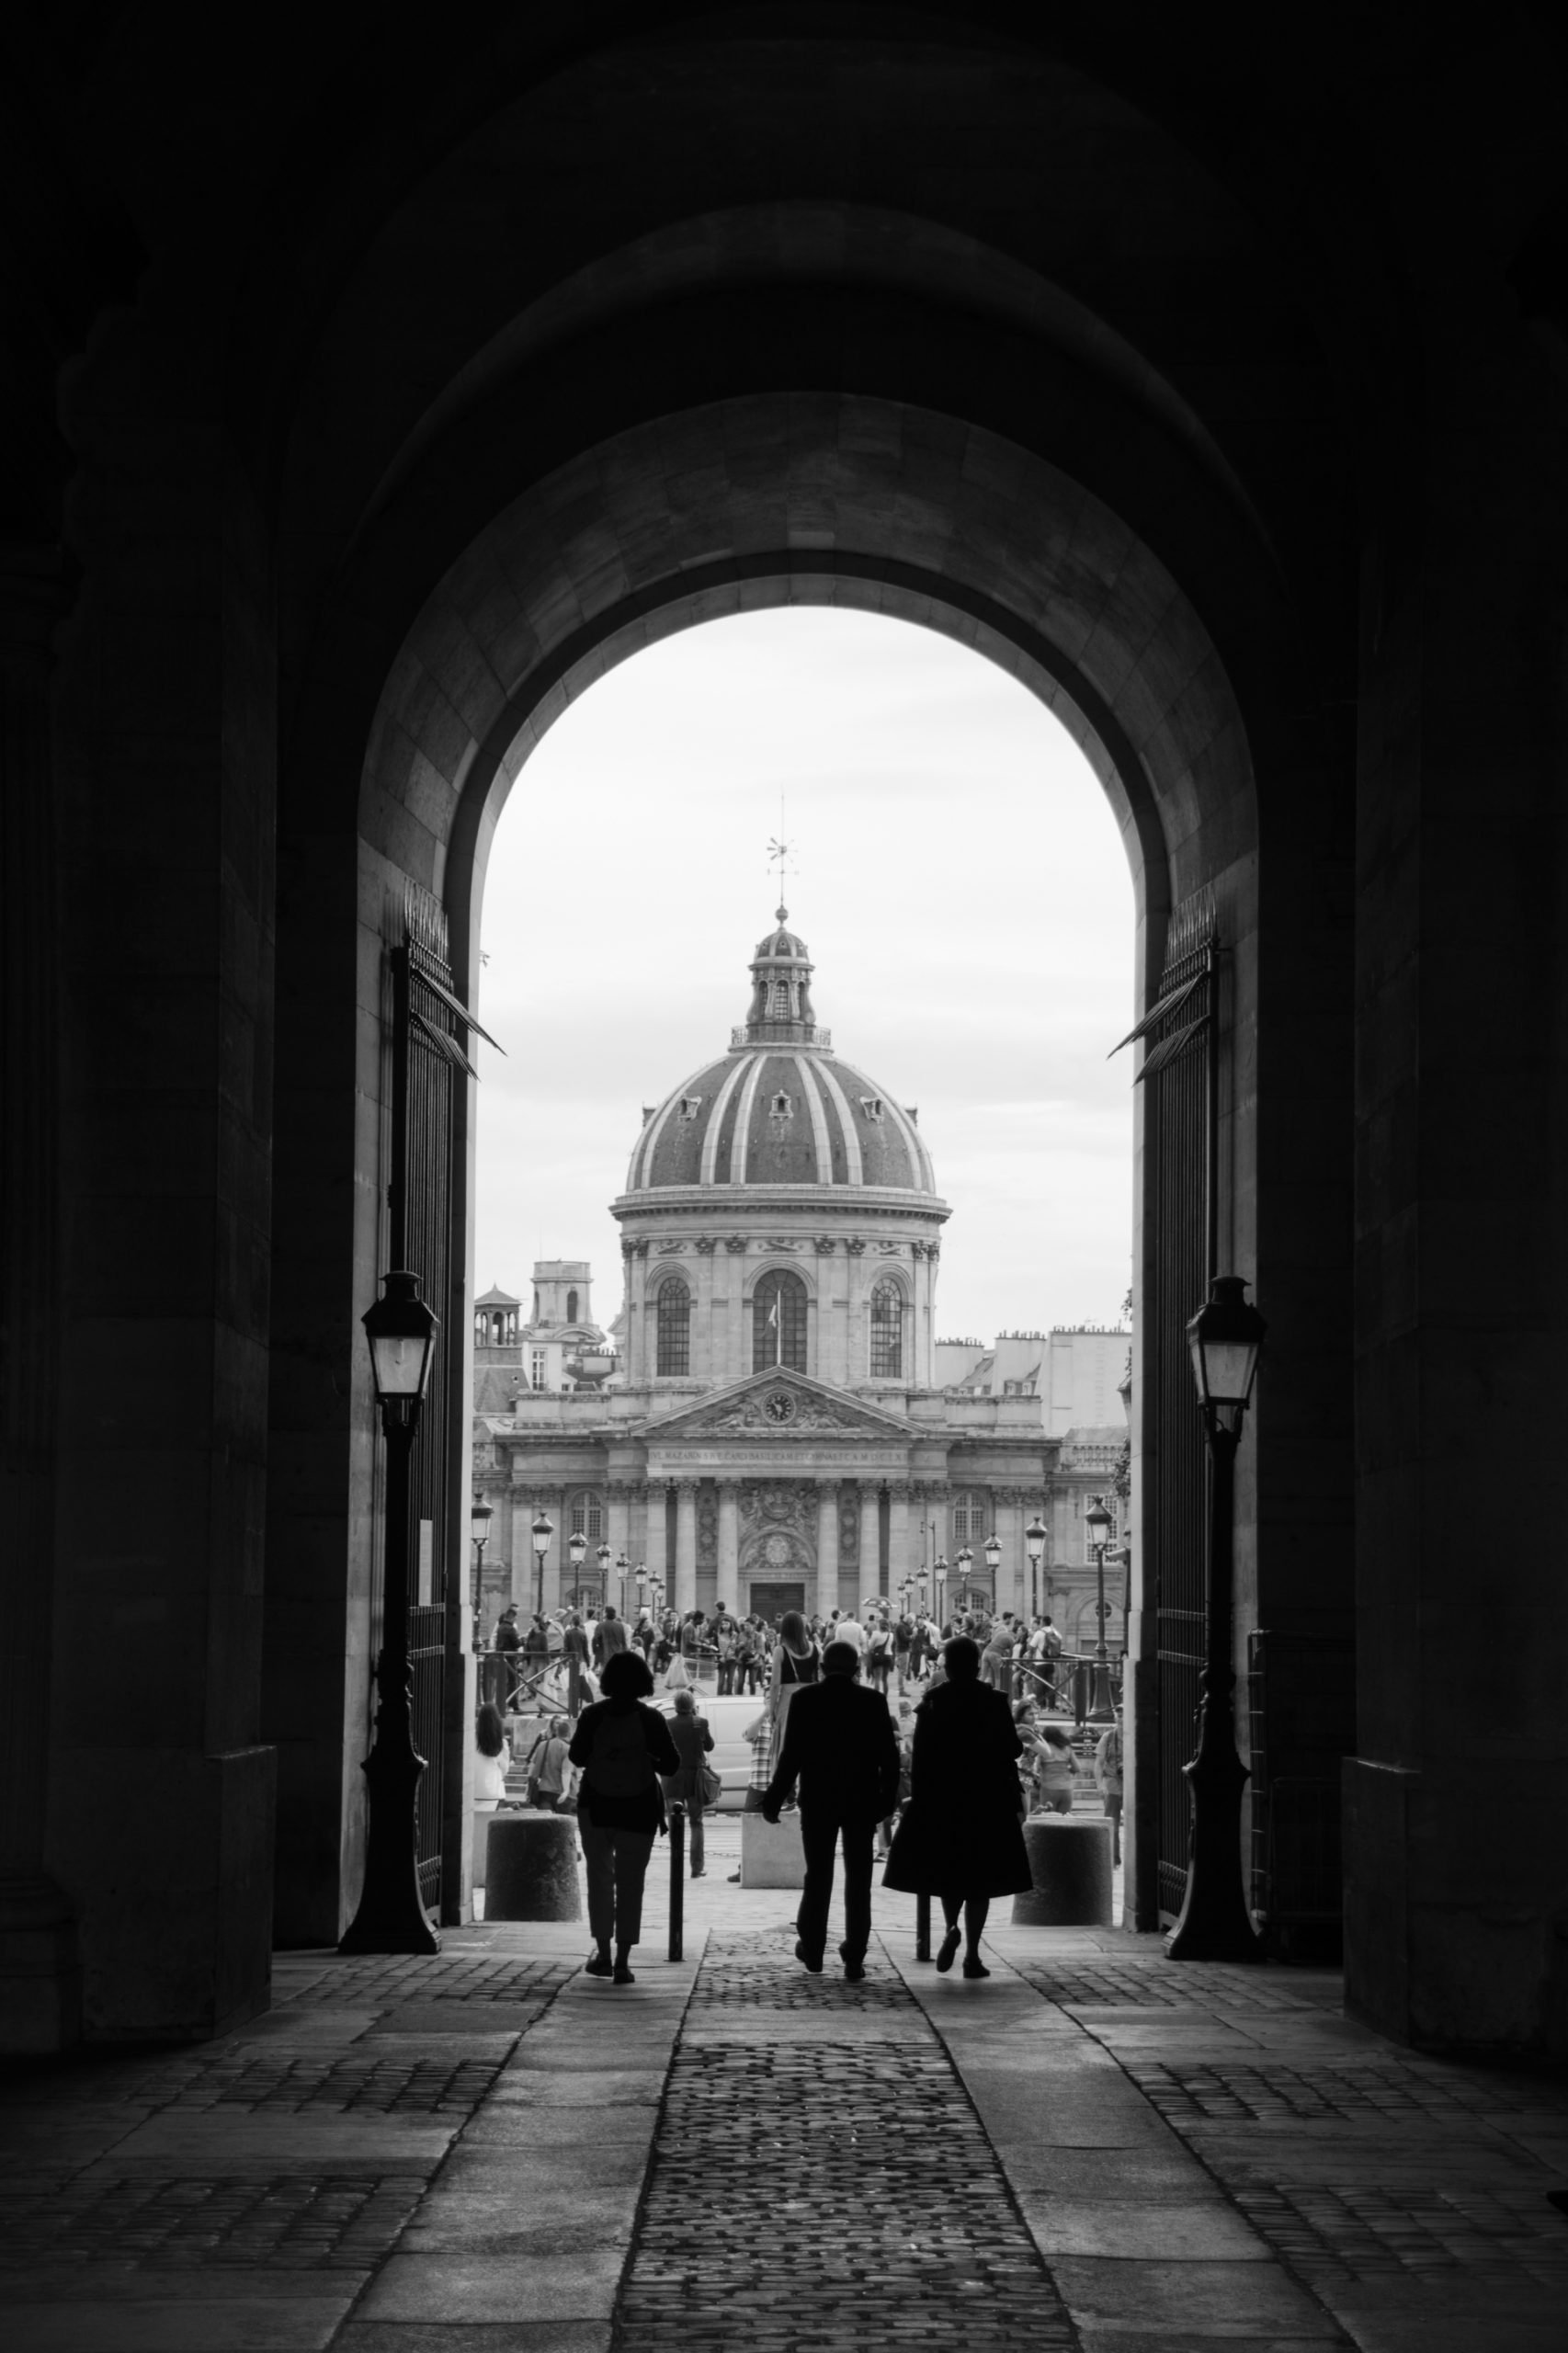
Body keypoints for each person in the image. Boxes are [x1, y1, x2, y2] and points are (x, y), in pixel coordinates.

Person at [883, 1635, 1032, 1979]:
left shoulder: (933, 1701)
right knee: (980, 1881)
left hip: (943, 1799)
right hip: (987, 1800)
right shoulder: (994, 1702)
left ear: (947, 1668)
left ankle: (951, 1926)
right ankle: (973, 1956)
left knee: (950, 1874)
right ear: (978, 1666)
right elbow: (1013, 1749)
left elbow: (920, 1757)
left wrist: (920, 1800)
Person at [763, 1640, 900, 1981]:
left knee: (818, 1876)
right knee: (859, 1881)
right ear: (857, 1670)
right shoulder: (873, 1701)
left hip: (819, 1801)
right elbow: (889, 1758)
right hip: (860, 1801)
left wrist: (774, 1797)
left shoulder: (805, 1699)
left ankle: (812, 1949)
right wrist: (885, 1801)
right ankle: (854, 1956)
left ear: (821, 1669)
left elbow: (790, 1755)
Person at [569, 1649, 680, 1984]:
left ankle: (602, 1953)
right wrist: (645, 1758)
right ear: (644, 1681)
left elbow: (576, 1756)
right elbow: (671, 1765)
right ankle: (622, 1962)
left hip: (597, 1805)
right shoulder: (650, 1718)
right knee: (632, 1885)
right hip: (639, 1808)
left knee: (600, 1882)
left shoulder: (592, 1715)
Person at [664, 1687, 717, 1877]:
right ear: (692, 1705)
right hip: (695, 1780)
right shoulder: (700, 1723)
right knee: (696, 1822)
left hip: (672, 1778)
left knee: (674, 1821)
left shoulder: (668, 1724)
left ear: (676, 1705)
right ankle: (697, 1867)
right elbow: (709, 1746)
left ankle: (676, 1866)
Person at [767, 1608, 820, 1785]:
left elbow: (775, 1685)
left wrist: (771, 1710)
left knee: (786, 1748)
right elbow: (820, 1678)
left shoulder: (780, 1651)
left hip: (788, 1703)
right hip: (812, 1702)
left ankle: (788, 1792)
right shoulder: (815, 1648)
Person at [1095, 1719, 1124, 1864]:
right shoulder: (1108, 1737)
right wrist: (1100, 1785)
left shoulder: (1135, 1735)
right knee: (1112, 1825)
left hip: (1132, 1787)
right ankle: (1112, 1859)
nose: (1120, 1717)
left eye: (1123, 1713)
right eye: (1118, 1713)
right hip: (1113, 1785)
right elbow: (1099, 1763)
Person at [473, 1701, 510, 1811]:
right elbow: (505, 1770)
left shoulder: (470, 1738)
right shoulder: (501, 1743)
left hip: (472, 1791)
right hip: (493, 1793)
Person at [1035, 1722, 1078, 1815]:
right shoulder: (1067, 1748)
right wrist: (1069, 1770)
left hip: (1048, 1788)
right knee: (1064, 1821)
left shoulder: (1043, 1749)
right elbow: (1077, 1768)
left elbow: (1035, 1769)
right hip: (1067, 1789)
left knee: (1048, 1820)